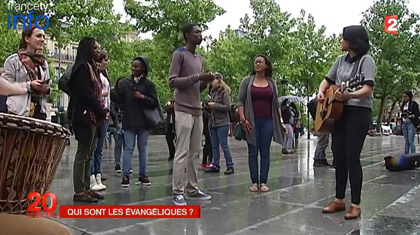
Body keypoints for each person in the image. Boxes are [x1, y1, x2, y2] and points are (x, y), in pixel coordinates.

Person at [319, 25, 376, 219]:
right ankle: (339, 199)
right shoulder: (339, 60)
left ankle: (356, 204)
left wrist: (350, 95)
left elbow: (367, 88)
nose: (341, 41)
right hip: (339, 112)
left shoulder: (366, 61)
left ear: (352, 41)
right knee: (338, 155)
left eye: (343, 38)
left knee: (352, 156)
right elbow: (327, 80)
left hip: (359, 112)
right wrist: (321, 92)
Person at [168, 23, 215, 205]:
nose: (200, 35)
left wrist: (206, 82)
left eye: (201, 32)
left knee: (195, 151)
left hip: (197, 110)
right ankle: (177, 191)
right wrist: (197, 77)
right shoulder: (179, 55)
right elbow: (172, 81)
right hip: (183, 110)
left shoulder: (199, 59)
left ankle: (192, 189)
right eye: (196, 32)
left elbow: (197, 87)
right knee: (182, 151)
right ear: (187, 35)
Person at [237, 54, 286, 193]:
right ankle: (254, 182)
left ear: (266, 65)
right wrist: (242, 118)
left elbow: (276, 104)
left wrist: (281, 122)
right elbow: (240, 101)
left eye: (260, 62)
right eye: (255, 62)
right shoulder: (247, 81)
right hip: (251, 122)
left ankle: (263, 181)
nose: (257, 64)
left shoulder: (271, 83)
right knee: (252, 151)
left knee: (265, 152)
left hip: (268, 121)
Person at [68, 37, 107, 202]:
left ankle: (86, 187)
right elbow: (86, 93)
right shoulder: (82, 68)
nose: (98, 50)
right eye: (95, 48)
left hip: (92, 115)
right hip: (85, 115)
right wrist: (100, 109)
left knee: (89, 153)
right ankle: (79, 190)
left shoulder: (92, 67)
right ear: (88, 50)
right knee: (83, 153)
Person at [112, 56, 158, 187]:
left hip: (144, 122)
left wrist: (142, 97)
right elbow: (119, 99)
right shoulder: (125, 83)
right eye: (132, 66)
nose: (133, 69)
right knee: (128, 148)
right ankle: (125, 176)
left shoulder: (149, 85)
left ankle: (143, 175)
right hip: (129, 121)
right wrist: (111, 93)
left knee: (142, 149)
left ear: (143, 68)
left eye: (136, 66)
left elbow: (154, 103)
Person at [3, 26, 50, 120]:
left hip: (39, 113)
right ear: (27, 39)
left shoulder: (43, 63)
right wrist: (30, 86)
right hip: (17, 114)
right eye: (38, 36)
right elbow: (6, 89)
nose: (42, 40)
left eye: (44, 37)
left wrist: (45, 88)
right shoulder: (13, 61)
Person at [205, 73, 235, 174]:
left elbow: (227, 107)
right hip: (213, 122)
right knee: (214, 145)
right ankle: (215, 165)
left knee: (224, 144)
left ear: (218, 80)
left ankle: (230, 165)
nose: (211, 82)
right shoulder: (212, 92)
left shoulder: (224, 92)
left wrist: (215, 105)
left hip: (222, 122)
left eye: (212, 80)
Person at [90, 50, 110, 191]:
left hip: (105, 112)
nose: (107, 62)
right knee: (93, 146)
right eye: (105, 60)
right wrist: (101, 94)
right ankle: (91, 176)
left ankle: (98, 174)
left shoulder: (104, 74)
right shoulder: (93, 74)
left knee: (99, 149)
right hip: (97, 112)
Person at [110, 78, 125, 173]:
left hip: (125, 121)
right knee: (119, 143)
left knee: (126, 144)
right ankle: (117, 163)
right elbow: (112, 108)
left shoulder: (126, 95)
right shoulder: (113, 95)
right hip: (117, 122)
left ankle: (124, 164)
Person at [202, 93, 213, 168]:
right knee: (210, 145)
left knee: (207, 145)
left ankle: (204, 161)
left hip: (206, 130)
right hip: (209, 130)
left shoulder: (204, 112)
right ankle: (209, 161)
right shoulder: (207, 113)